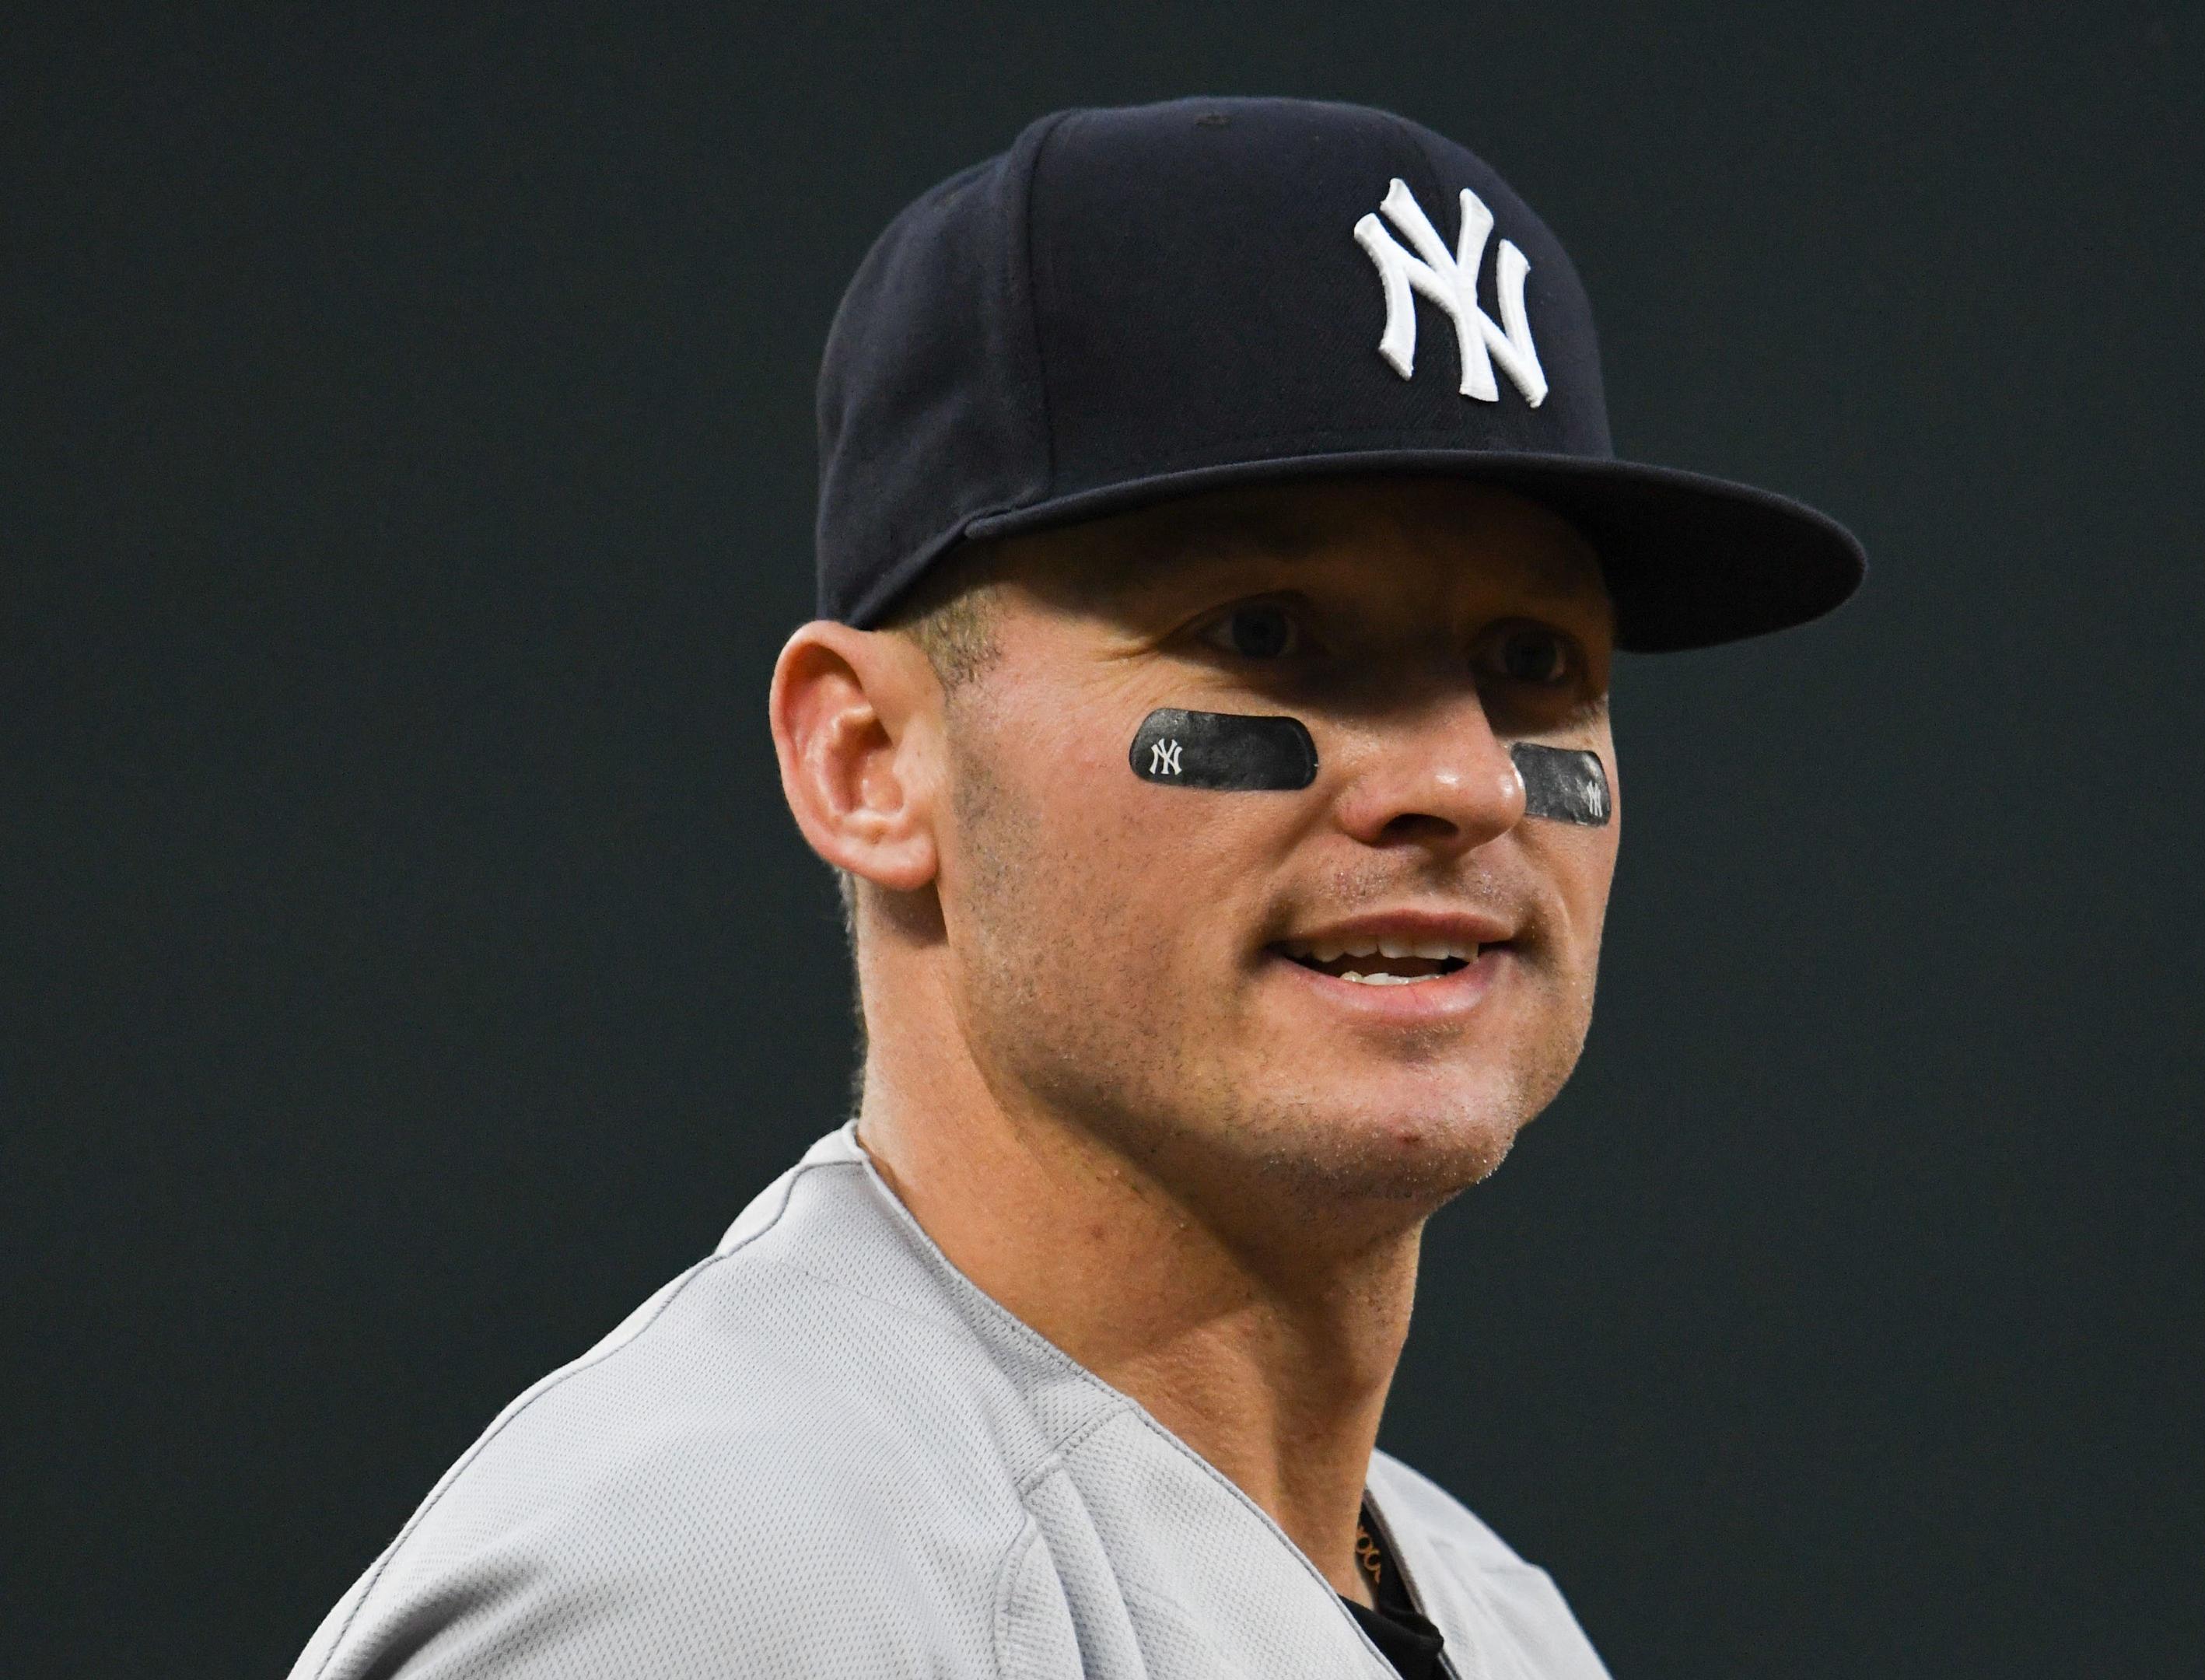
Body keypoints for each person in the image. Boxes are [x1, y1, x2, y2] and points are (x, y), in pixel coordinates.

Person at [291, 96, 1863, 1679]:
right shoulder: (716, 1599)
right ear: (869, 762)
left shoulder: (1496, 1611)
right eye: (1265, 634)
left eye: (1533, 662)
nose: (1464, 782)